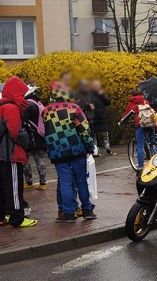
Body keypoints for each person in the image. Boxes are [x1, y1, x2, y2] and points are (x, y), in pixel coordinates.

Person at [43, 82, 96, 223]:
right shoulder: (74, 108)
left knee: (65, 182)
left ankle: (68, 213)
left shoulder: (46, 111)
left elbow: (44, 131)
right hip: (76, 149)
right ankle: (87, 210)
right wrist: (90, 146)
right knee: (81, 181)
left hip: (58, 152)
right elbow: (84, 129)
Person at [0, 77, 37, 227]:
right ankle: (17, 217)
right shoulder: (12, 108)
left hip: (2, 154)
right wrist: (27, 142)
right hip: (11, 154)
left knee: (2, 186)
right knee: (14, 186)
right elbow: (15, 132)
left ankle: (2, 216)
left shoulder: (1, 106)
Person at [125, 87, 157, 169]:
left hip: (140, 125)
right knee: (152, 142)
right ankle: (156, 163)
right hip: (150, 124)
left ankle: (140, 167)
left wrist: (122, 122)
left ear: (132, 94)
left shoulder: (131, 104)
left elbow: (126, 116)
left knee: (140, 146)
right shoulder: (146, 101)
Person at [22, 86, 48, 190]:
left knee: (25, 160)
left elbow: (23, 121)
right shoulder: (38, 104)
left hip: (30, 137)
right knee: (40, 160)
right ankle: (43, 182)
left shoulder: (27, 105)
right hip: (39, 135)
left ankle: (29, 182)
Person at [90, 79, 114, 155]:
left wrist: (102, 95)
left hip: (101, 116)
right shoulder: (90, 94)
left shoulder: (101, 93)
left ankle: (107, 148)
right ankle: (96, 150)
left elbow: (108, 102)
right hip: (94, 116)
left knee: (104, 133)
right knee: (94, 134)